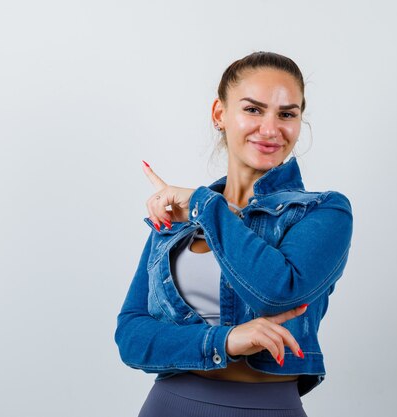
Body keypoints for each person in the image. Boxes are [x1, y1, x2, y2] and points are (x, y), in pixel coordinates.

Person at [114, 51, 353, 417]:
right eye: (253, 110)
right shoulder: (179, 217)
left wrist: (204, 205)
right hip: (169, 405)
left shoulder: (324, 211)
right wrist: (224, 340)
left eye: (287, 114)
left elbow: (275, 293)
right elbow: (132, 336)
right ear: (220, 115)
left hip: (269, 407)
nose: (271, 129)